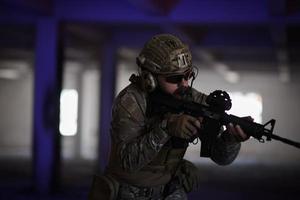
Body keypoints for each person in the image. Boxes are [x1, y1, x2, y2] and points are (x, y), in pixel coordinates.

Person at [89, 34, 252, 200]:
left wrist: (231, 139)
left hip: (167, 191)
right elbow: (127, 163)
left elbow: (222, 158)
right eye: (174, 78)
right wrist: (166, 128)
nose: (185, 84)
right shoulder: (132, 100)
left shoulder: (190, 98)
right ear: (149, 78)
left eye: (188, 75)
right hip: (127, 192)